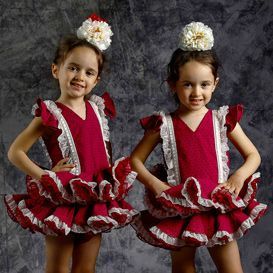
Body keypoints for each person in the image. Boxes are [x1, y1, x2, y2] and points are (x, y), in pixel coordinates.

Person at [4, 14, 138, 273]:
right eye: (73, 68)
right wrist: (45, 175)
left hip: (95, 197)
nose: (80, 77)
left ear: (96, 80)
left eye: (89, 72)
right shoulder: (50, 113)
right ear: (57, 69)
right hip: (62, 199)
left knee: (86, 267)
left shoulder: (98, 109)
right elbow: (15, 152)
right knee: (57, 268)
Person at [131, 22, 267, 273]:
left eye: (204, 84)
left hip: (217, 206)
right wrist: (155, 184)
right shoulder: (164, 124)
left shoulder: (222, 120)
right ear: (173, 84)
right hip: (180, 207)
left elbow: (253, 155)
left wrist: (238, 176)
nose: (196, 92)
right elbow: (134, 161)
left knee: (232, 269)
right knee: (183, 267)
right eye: (188, 84)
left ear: (215, 83)